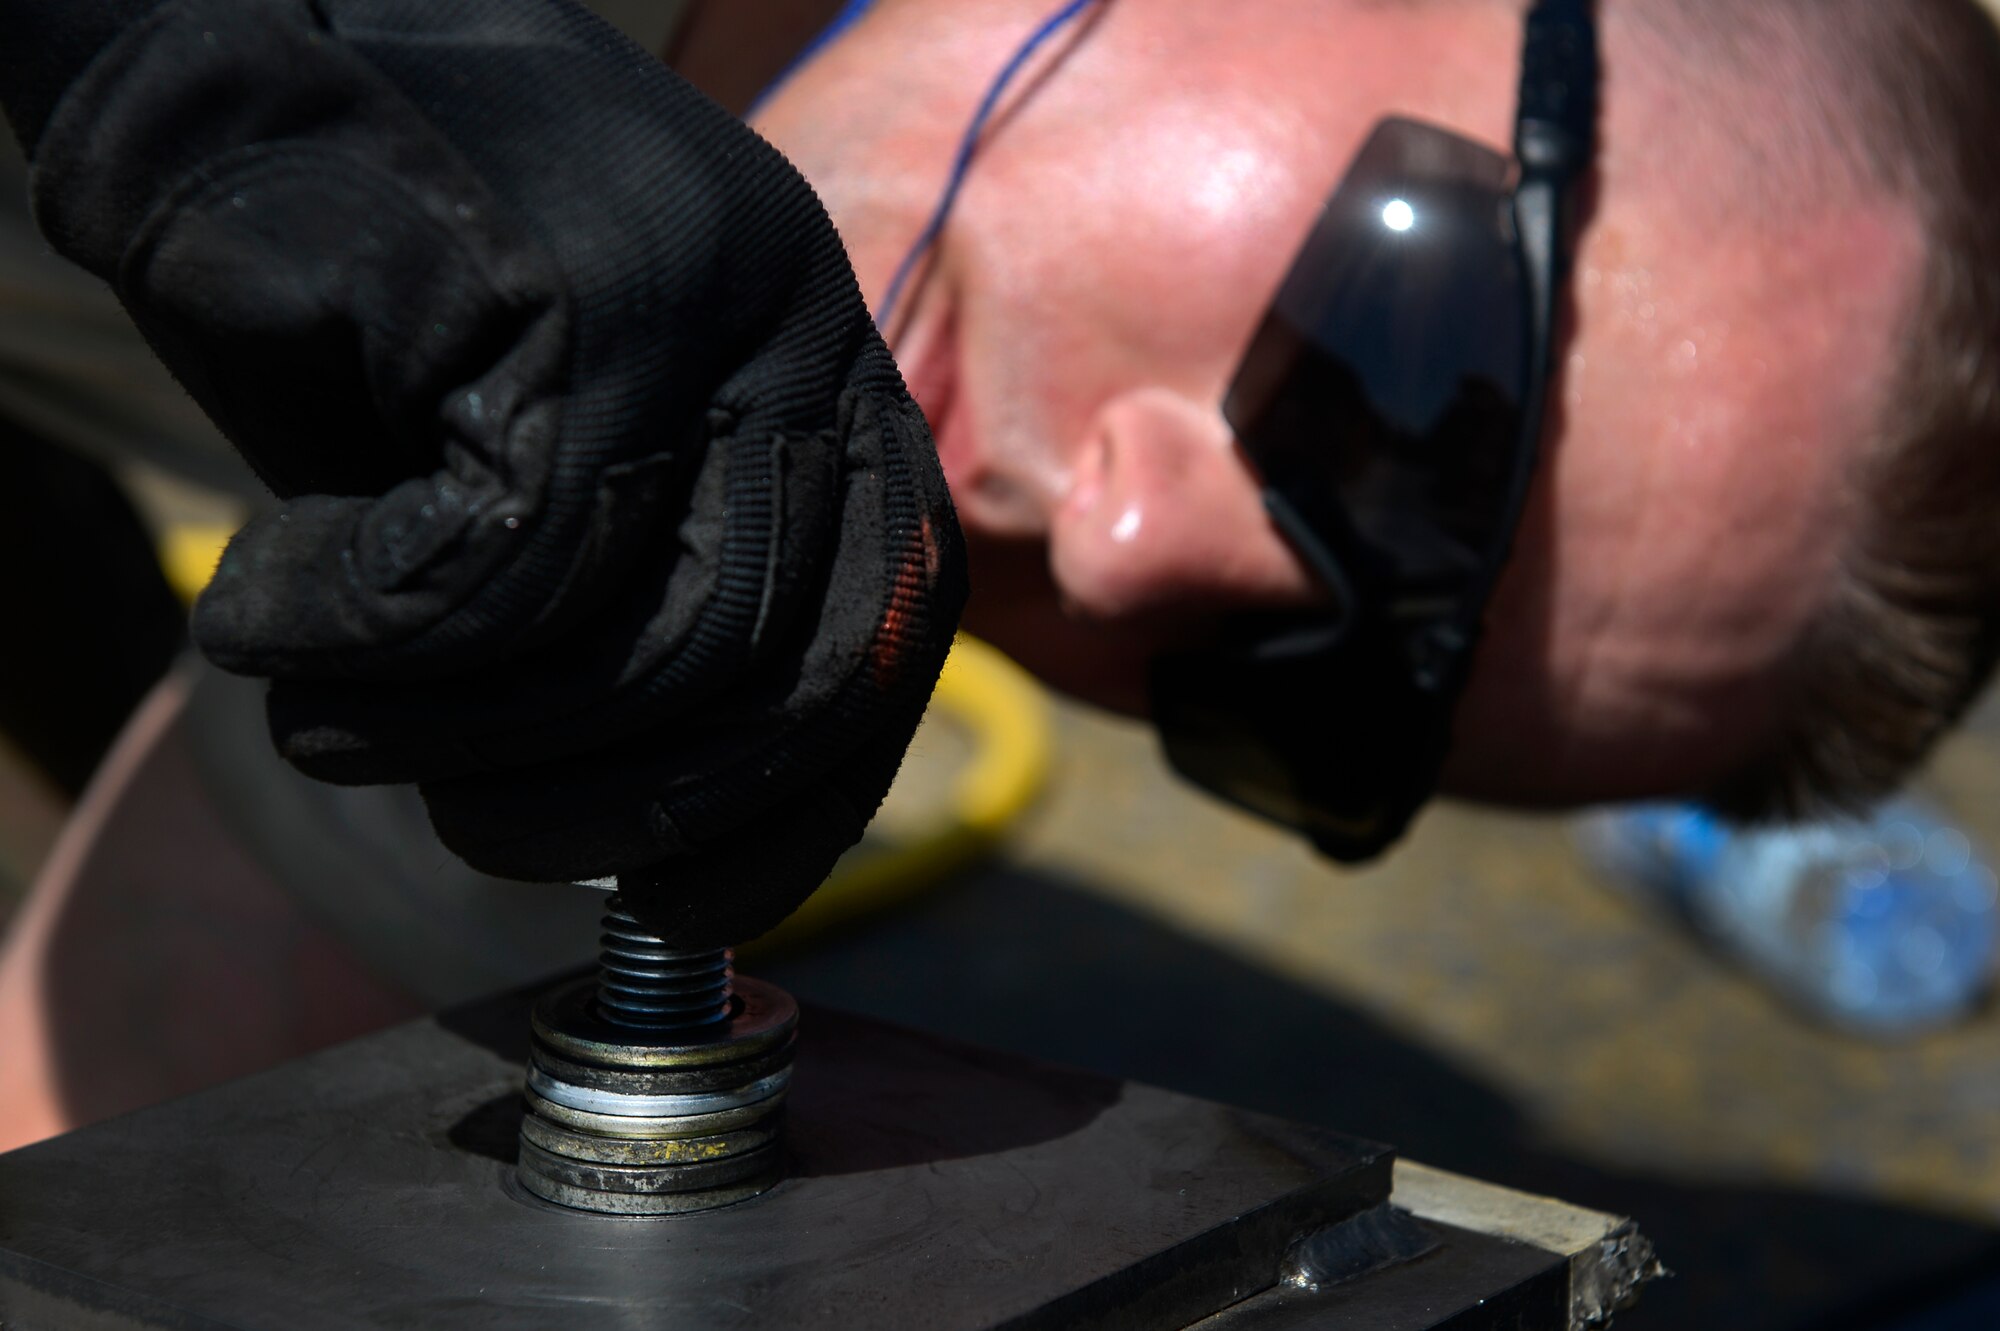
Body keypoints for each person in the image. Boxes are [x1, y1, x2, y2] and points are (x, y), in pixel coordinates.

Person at [1, 0, 1996, 1150]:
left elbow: (125, 1111)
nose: (1130, 556)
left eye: (1304, 677)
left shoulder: (698, 539)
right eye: (1401, 398)